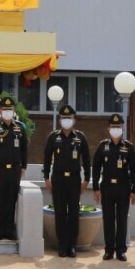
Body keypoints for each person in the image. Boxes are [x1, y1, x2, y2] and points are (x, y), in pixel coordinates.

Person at [42, 104, 91, 258]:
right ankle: (62, 245)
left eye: (69, 118)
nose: (66, 120)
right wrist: (46, 178)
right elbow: (46, 158)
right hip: (58, 179)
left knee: (74, 212)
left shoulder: (80, 137)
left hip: (75, 179)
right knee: (60, 213)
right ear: (60, 120)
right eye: (64, 118)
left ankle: (72, 245)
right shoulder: (53, 137)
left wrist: (87, 179)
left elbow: (87, 159)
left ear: (74, 120)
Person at [92, 113, 135, 262]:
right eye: (113, 126)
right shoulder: (103, 146)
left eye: (118, 126)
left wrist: (134, 190)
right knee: (108, 219)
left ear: (122, 128)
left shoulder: (128, 147)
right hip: (107, 187)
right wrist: (96, 188)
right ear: (108, 128)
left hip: (123, 188)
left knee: (122, 219)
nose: (115, 129)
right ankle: (109, 250)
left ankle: (121, 251)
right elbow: (96, 168)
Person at [0, 96, 28, 241]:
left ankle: (9, 230)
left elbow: (24, 149)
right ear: (0, 111)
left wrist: (24, 166)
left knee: (11, 200)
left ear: (14, 110)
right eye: (5, 109)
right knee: (0, 200)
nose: (8, 112)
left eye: (10, 109)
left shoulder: (20, 127)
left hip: (14, 170)